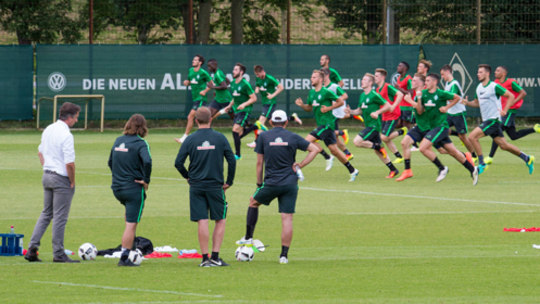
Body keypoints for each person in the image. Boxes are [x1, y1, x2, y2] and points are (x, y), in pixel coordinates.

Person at [236, 110, 319, 264]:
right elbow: (315, 149)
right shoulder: (293, 136)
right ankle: (283, 256)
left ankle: (248, 238)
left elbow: (259, 163)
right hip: (290, 183)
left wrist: (259, 183)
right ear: (286, 122)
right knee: (287, 218)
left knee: (253, 202)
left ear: (271, 122)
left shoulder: (263, 136)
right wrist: (300, 165)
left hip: (271, 183)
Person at [175, 107, 236, 267]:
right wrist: (229, 181)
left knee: (202, 220)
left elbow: (178, 163)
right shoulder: (220, 138)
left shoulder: (190, 139)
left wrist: (188, 176)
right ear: (211, 119)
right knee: (220, 219)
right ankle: (215, 256)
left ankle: (204, 258)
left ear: (196, 121)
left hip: (196, 185)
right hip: (216, 185)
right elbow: (232, 160)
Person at [25, 102, 81, 263]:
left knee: (46, 213)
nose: (76, 121)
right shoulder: (67, 135)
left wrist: (48, 167)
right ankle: (58, 253)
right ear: (69, 117)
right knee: (60, 217)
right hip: (60, 178)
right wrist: (72, 181)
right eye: (76, 118)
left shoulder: (49, 129)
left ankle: (32, 249)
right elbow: (70, 163)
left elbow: (40, 152)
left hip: (47, 174)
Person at [464, 64, 535, 175]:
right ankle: (527, 158)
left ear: (487, 74)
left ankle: (482, 164)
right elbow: (477, 103)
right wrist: (467, 103)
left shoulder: (494, 86)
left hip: (493, 120)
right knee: (504, 145)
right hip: (487, 121)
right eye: (478, 72)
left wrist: (505, 109)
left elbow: (510, 95)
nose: (478, 74)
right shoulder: (478, 88)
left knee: (472, 137)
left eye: (481, 72)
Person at [414, 73, 478, 184]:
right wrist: (419, 99)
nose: (426, 83)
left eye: (428, 80)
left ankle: (442, 168)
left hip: (441, 127)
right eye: (426, 81)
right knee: (453, 152)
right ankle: (473, 169)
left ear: (435, 82)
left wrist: (447, 107)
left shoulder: (441, 93)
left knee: (423, 148)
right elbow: (419, 111)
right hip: (433, 128)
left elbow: (457, 97)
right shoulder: (423, 94)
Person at [295, 70, 359, 181]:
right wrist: (302, 105)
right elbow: (309, 108)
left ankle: (298, 168)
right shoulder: (311, 93)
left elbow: (339, 101)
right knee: (335, 150)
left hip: (327, 124)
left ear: (320, 79)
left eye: (314, 77)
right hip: (321, 125)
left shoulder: (326, 92)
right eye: (311, 77)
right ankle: (353, 170)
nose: (311, 79)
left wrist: (329, 108)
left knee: (306, 141)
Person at [108, 114, 152, 267]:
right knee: (131, 223)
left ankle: (131, 249)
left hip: (117, 188)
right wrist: (146, 180)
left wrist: (119, 176)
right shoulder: (141, 143)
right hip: (133, 188)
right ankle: (125, 256)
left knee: (128, 216)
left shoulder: (118, 140)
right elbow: (147, 161)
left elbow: (110, 162)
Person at [348, 73, 400, 178]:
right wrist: (350, 111)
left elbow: (388, 106)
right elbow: (359, 111)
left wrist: (377, 112)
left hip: (374, 126)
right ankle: (393, 170)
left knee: (357, 141)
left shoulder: (374, 95)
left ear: (370, 83)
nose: (362, 81)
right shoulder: (362, 95)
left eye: (365, 80)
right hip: (369, 126)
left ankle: (378, 146)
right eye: (362, 79)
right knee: (378, 152)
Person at [486, 66, 540, 164]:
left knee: (496, 130)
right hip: (502, 111)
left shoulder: (511, 82)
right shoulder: (496, 83)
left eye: (498, 70)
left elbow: (523, 93)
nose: (495, 72)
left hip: (510, 111)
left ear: (504, 73)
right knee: (513, 136)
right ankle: (535, 129)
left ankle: (490, 157)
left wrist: (513, 102)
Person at [440, 64, 477, 162]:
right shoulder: (448, 84)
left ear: (448, 72)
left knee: (463, 137)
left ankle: (473, 155)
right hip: (449, 113)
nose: (442, 77)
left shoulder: (454, 84)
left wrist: (444, 103)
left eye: (443, 75)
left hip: (458, 114)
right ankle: (457, 134)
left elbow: (453, 98)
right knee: (442, 128)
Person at [176, 55, 211, 144]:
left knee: (190, 116)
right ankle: (206, 136)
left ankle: (184, 138)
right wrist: (186, 83)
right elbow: (189, 82)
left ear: (200, 63)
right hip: (195, 98)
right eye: (193, 59)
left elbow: (211, 84)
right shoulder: (190, 71)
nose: (193, 61)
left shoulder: (203, 73)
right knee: (200, 118)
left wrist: (205, 91)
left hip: (201, 98)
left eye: (195, 60)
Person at [246, 65, 285, 148]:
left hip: (270, 102)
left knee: (260, 121)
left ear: (262, 72)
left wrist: (272, 95)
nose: (257, 76)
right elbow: (257, 85)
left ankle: (257, 142)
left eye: (258, 74)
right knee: (274, 122)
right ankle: (291, 120)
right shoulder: (258, 78)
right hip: (264, 103)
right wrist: (256, 89)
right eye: (256, 75)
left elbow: (281, 87)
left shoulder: (270, 78)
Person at [374, 68, 406, 164]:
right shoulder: (377, 89)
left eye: (376, 76)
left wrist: (393, 106)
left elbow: (400, 94)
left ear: (382, 77)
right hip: (385, 116)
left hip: (393, 115)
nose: (374, 78)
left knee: (383, 137)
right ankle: (399, 156)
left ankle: (402, 131)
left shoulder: (387, 87)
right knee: (386, 139)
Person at [321, 67, 353, 160]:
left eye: (321, 75)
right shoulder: (322, 88)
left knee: (325, 132)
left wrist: (337, 101)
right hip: (327, 114)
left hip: (334, 114)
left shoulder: (334, 86)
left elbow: (345, 95)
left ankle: (342, 132)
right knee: (335, 137)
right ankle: (348, 153)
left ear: (327, 75)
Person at [228, 63, 258, 160]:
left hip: (245, 110)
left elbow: (254, 98)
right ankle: (254, 127)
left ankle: (237, 155)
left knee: (235, 130)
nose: (233, 71)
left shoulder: (245, 84)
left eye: (236, 70)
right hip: (237, 111)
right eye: (233, 69)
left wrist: (244, 105)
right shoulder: (232, 83)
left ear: (241, 72)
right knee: (238, 135)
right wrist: (229, 106)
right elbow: (235, 97)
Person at [395, 61, 415, 130]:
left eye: (400, 66)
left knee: (405, 125)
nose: (398, 67)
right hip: (400, 106)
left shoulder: (408, 79)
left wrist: (399, 88)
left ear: (405, 68)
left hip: (407, 107)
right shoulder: (398, 78)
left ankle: (412, 138)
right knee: (398, 124)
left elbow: (411, 93)